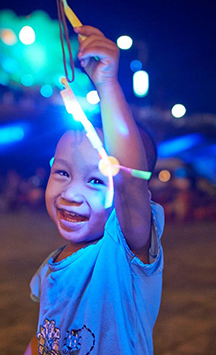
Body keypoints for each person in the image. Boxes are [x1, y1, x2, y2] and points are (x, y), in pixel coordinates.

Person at [25, 25, 163, 355]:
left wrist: (107, 84)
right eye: (62, 172)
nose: (71, 193)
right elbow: (45, 334)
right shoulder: (51, 265)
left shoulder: (123, 252)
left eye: (97, 180)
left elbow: (130, 179)